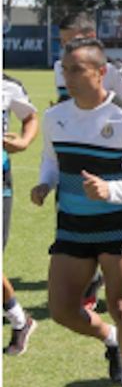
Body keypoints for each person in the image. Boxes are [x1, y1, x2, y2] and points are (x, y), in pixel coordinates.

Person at [31, 37, 122, 387]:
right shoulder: (56, 116)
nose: (68, 77)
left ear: (102, 72)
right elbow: (52, 161)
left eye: (77, 69)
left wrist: (112, 190)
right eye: (65, 70)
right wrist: (45, 183)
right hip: (71, 224)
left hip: (116, 224)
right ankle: (110, 341)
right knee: (60, 310)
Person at [54, 11, 122, 309]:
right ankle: (87, 274)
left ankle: (102, 275)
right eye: (63, 41)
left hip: (111, 154)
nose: (65, 46)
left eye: (72, 40)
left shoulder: (114, 70)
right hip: (74, 148)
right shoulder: (61, 67)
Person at [3, 74, 40, 355]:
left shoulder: (8, 85)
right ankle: (19, 318)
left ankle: (20, 320)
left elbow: (30, 117)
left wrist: (25, 142)